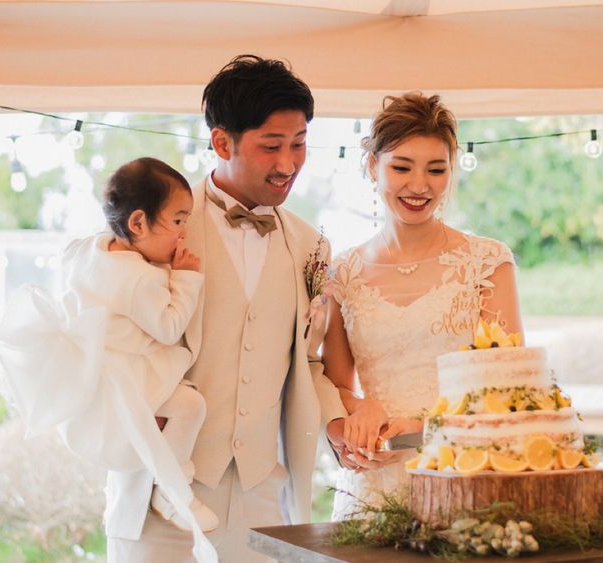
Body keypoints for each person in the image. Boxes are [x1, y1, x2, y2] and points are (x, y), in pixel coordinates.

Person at [104, 55, 349, 562]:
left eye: (299, 143)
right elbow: (100, 326)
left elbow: (307, 363)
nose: (289, 164)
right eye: (271, 146)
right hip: (159, 493)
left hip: (262, 498)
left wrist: (340, 423)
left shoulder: (312, 246)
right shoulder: (156, 226)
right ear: (221, 142)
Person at [0, 158, 219, 561]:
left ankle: (168, 486)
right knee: (191, 406)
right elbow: (169, 327)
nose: (184, 233)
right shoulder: (140, 278)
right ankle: (171, 489)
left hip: (93, 372)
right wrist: (185, 278)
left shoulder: (85, 250)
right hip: (126, 375)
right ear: (138, 223)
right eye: (178, 221)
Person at [322, 93, 524, 519]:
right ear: (372, 166)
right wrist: (360, 414)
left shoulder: (487, 263)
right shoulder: (342, 274)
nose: (419, 186)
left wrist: (424, 430)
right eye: (401, 167)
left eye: (436, 169)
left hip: (464, 477)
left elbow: (509, 390)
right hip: (372, 488)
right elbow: (333, 385)